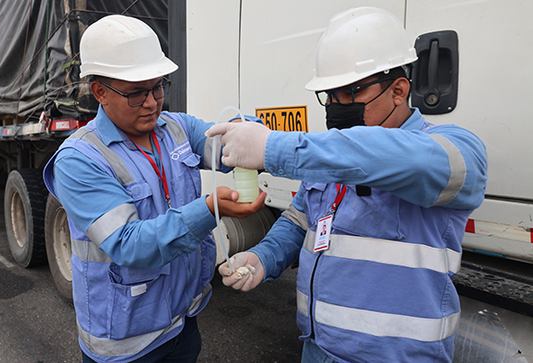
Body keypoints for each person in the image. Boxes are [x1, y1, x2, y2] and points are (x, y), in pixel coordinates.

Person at [206, 6, 488, 363]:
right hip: (318, 349)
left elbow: (387, 158)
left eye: (351, 92)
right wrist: (263, 258)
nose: (337, 107)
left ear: (399, 90)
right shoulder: (334, 152)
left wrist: (273, 147)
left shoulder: (454, 150)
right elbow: (300, 221)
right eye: (331, 95)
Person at [43, 15, 265, 363]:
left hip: (182, 322)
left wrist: (247, 130)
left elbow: (228, 147)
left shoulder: (175, 128)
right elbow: (128, 245)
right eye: (135, 93)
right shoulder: (80, 159)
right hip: (127, 343)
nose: (151, 102)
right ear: (99, 92)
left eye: (158, 86)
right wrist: (208, 210)